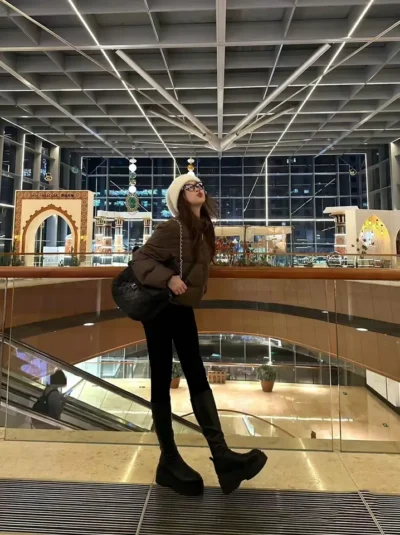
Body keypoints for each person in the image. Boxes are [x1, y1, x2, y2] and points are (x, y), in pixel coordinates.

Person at [132, 174, 267, 496]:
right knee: (162, 378)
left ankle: (222, 458)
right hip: (160, 308)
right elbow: (140, 258)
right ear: (179, 197)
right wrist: (168, 278)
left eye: (200, 185)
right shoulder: (173, 227)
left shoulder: (203, 228)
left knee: (196, 375)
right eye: (190, 187)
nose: (198, 189)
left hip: (180, 307)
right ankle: (169, 460)